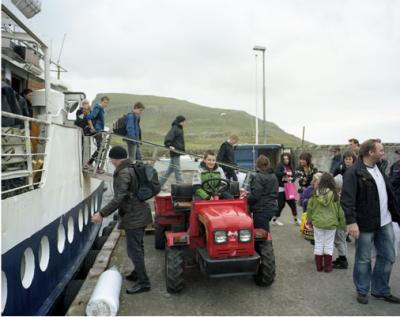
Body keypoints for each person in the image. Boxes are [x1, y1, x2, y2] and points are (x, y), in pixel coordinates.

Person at [341, 139, 400, 305]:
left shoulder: (379, 168)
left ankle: (380, 290)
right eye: (380, 150)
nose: (383, 152)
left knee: (388, 256)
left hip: (385, 221)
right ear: (370, 153)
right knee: (363, 259)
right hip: (365, 223)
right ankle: (362, 290)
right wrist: (351, 222)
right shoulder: (353, 173)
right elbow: (347, 200)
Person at [91, 146, 152, 294]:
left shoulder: (124, 173)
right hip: (142, 212)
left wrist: (101, 213)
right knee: (138, 246)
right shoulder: (133, 167)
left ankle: (144, 282)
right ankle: (137, 272)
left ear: (116, 158)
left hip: (133, 216)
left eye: (111, 159)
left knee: (133, 250)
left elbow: (119, 198)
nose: (111, 162)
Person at [307, 173, 346, 273]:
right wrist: (343, 225)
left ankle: (319, 267)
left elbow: (310, 209)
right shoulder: (335, 195)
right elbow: (340, 211)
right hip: (331, 224)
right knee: (329, 244)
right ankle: (328, 267)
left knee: (319, 243)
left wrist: (309, 221)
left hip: (318, 223)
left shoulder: (315, 193)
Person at [247, 155, 279, 232]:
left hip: (261, 209)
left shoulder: (258, 177)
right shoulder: (273, 176)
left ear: (257, 165)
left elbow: (255, 195)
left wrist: (247, 200)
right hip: (271, 207)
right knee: (264, 233)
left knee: (262, 236)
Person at [159, 115, 186, 188]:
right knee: (177, 170)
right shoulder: (175, 128)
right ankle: (181, 186)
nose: (185, 123)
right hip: (175, 152)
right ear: (180, 121)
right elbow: (168, 137)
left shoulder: (178, 128)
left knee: (170, 170)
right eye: (184, 121)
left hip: (177, 152)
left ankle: (159, 185)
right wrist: (168, 145)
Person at [274, 153, 299, 226]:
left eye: (287, 159)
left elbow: (294, 175)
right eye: (284, 159)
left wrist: (292, 178)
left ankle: (295, 220)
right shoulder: (280, 165)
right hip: (281, 188)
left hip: (289, 187)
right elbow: (277, 173)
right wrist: (285, 173)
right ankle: (275, 219)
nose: (286, 160)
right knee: (281, 205)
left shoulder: (291, 166)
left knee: (293, 204)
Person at [86, 96, 110, 171]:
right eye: (105, 102)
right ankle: (90, 163)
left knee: (101, 148)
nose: (106, 104)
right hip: (97, 131)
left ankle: (97, 166)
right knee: (101, 148)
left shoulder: (101, 109)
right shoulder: (98, 108)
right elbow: (89, 117)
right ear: (101, 101)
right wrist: (92, 127)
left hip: (100, 130)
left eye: (107, 103)